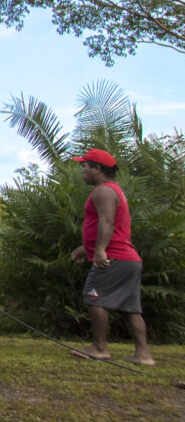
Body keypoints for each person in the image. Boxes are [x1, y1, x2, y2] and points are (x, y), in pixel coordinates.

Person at [69, 147, 153, 365]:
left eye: (85, 166)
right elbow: (108, 226)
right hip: (128, 258)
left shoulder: (103, 191)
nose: (82, 171)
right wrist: (84, 249)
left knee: (93, 297)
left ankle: (99, 348)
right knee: (130, 307)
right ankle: (143, 355)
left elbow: (107, 221)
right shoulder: (113, 190)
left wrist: (99, 251)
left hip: (113, 256)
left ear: (97, 169)